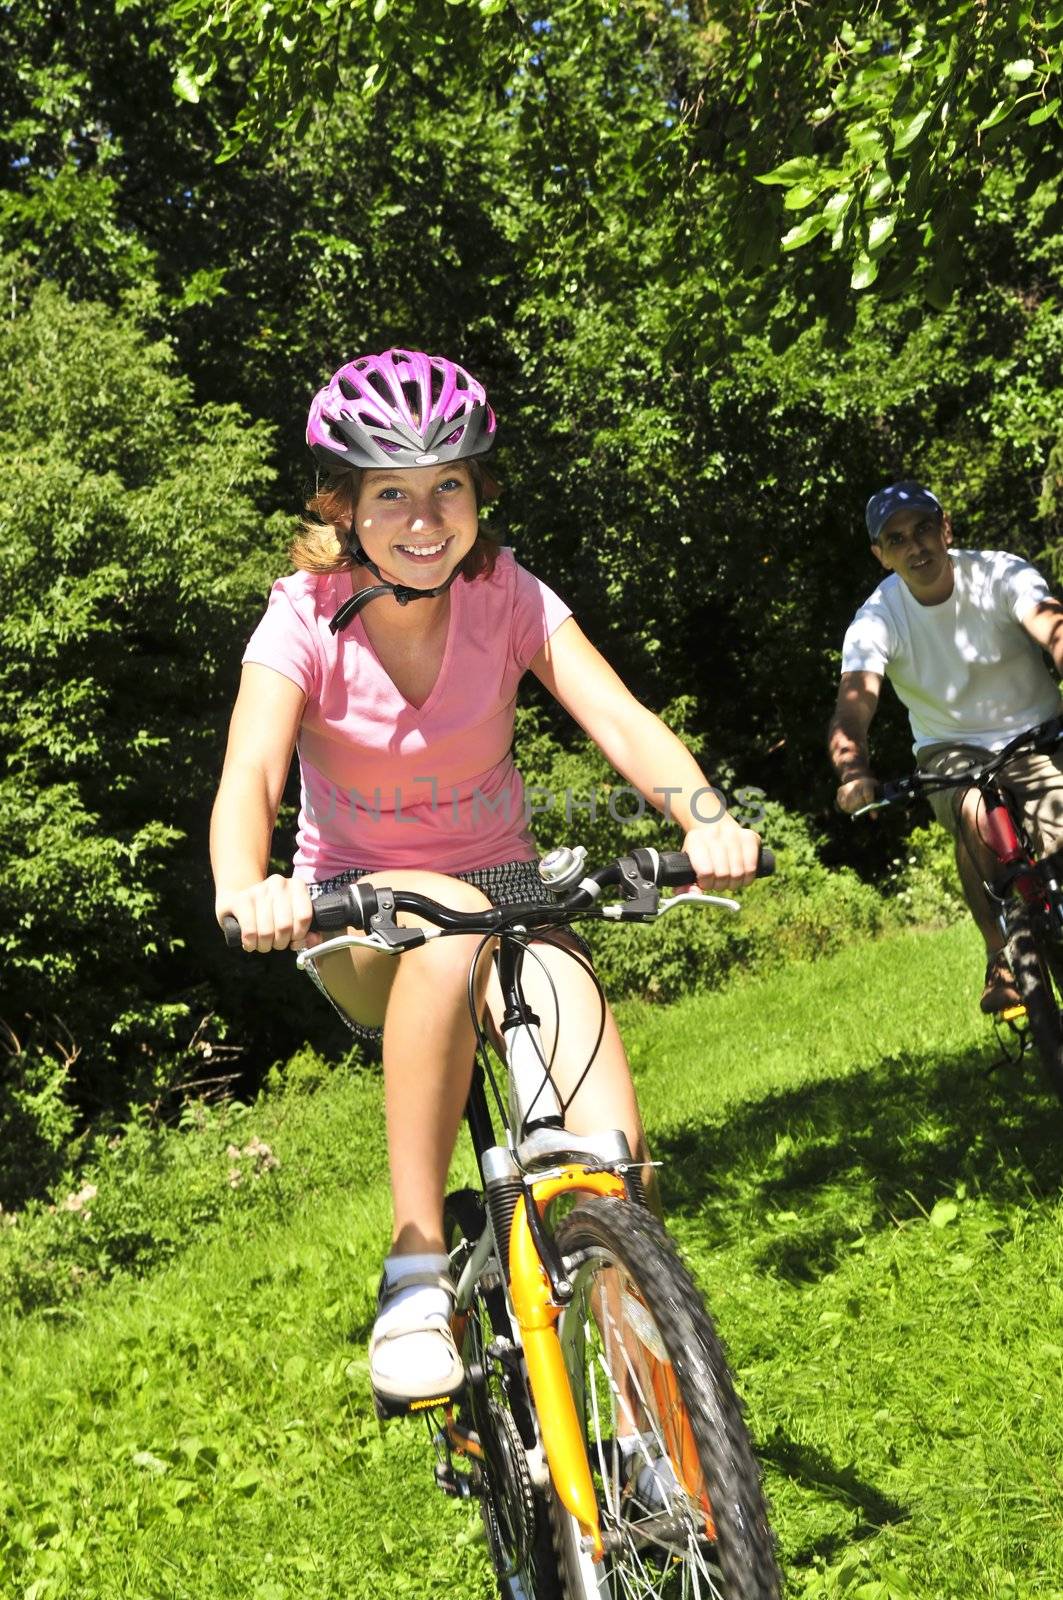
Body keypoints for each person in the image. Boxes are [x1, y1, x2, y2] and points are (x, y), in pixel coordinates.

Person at [211, 348, 762, 1410]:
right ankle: (415, 1266)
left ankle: (654, 1449)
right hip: (362, 917)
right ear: (341, 503)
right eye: (391, 493)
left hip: (509, 893)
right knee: (453, 924)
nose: (425, 517)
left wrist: (707, 819)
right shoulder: (300, 614)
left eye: (447, 485)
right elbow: (251, 773)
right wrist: (248, 884)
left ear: (479, 490)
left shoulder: (506, 594)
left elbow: (616, 717)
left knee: (613, 1157)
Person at [829, 479, 1063, 1014]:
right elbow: (854, 705)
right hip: (951, 750)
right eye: (896, 539)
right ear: (881, 555)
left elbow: (1053, 629)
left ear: (946, 529)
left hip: (1037, 733)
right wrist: (852, 772)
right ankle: (1000, 955)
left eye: (924, 529)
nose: (915, 547)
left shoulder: (999, 573)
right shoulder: (876, 618)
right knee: (975, 813)